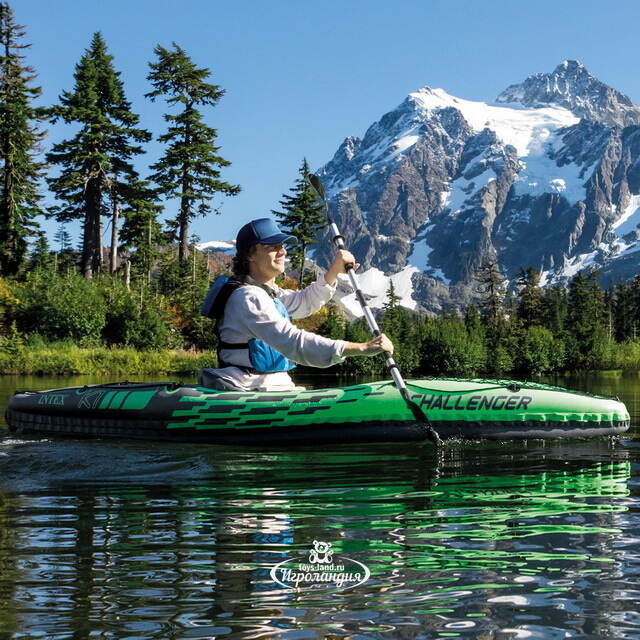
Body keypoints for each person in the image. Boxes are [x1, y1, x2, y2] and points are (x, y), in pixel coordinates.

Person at [198, 217, 394, 391]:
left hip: (271, 386)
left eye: (282, 245)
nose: (281, 251)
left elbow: (305, 301)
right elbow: (293, 342)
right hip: (246, 385)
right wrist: (359, 348)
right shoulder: (248, 297)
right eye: (271, 247)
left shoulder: (269, 295)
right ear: (250, 255)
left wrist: (333, 272)